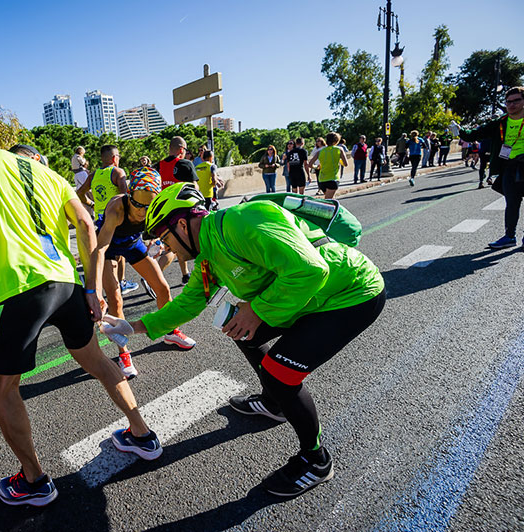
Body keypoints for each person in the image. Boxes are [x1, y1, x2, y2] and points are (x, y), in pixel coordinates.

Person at [102, 183, 385, 497]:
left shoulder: (241, 221)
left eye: (165, 238)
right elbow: (190, 302)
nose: (168, 249)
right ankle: (274, 403)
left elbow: (310, 269)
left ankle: (316, 460)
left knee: (280, 372)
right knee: (237, 326)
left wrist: (257, 309)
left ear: (181, 224)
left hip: (351, 294)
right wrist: (134, 326)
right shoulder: (208, 256)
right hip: (311, 296)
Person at [0, 145, 163, 507]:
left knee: (0, 387)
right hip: (66, 283)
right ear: (36, 159)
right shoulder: (54, 177)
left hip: (16, 287)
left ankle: (34, 481)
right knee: (98, 361)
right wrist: (91, 289)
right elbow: (85, 226)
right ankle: (141, 433)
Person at [93, 167, 196, 377]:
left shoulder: (155, 207)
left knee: (163, 288)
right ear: (129, 195)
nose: (142, 211)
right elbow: (100, 248)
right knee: (115, 299)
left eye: (148, 206)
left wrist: (160, 244)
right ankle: (123, 353)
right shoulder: (116, 207)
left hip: (132, 244)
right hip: (108, 247)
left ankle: (170, 332)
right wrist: (95, 290)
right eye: (137, 204)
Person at [453, 87, 524, 249]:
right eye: (508, 102)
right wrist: (460, 131)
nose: (511, 105)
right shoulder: (500, 122)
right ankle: (509, 236)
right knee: (511, 202)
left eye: (516, 101)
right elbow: (475, 134)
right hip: (509, 167)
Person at [78, 145, 139, 295]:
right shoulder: (118, 172)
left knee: (106, 254)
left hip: (100, 221)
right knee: (120, 251)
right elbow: (126, 196)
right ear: (114, 158)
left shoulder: (93, 175)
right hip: (116, 219)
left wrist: (91, 204)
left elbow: (79, 193)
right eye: (118, 156)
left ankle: (101, 284)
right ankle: (121, 282)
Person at [155, 136, 196, 284]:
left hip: (163, 213)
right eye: (185, 150)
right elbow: (194, 188)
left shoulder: (157, 166)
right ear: (181, 150)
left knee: (176, 245)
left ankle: (185, 275)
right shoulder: (185, 164)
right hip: (182, 213)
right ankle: (152, 277)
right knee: (173, 249)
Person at [309, 132, 348, 199]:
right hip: (333, 179)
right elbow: (345, 164)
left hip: (322, 180)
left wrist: (316, 167)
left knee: (331, 200)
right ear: (336, 141)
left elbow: (310, 164)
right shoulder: (339, 149)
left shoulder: (320, 151)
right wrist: (338, 160)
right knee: (328, 202)